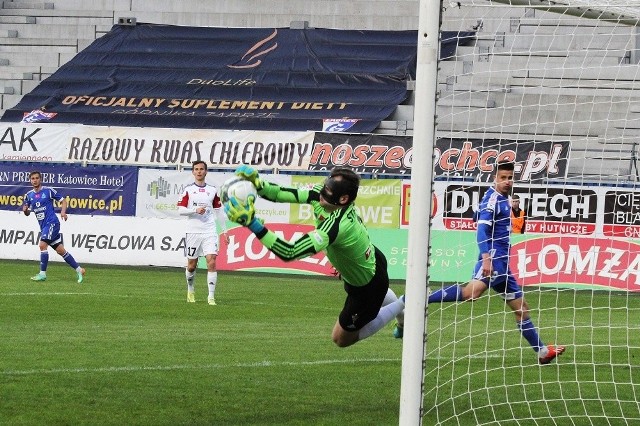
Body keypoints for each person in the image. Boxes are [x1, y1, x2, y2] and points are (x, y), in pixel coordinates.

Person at [224, 165, 405, 348]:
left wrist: (253, 224)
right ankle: (402, 316)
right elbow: (280, 194)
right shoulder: (324, 196)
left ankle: (403, 303)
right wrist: (258, 183)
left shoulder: (337, 226)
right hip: (371, 258)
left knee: (341, 339)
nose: (321, 193)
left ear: (343, 199)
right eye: (326, 185)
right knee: (379, 288)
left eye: (328, 190)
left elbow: (290, 252)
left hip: (367, 287)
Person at [422, 161, 565, 364]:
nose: (507, 181)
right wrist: (486, 258)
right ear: (495, 178)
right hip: (494, 259)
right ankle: (421, 298)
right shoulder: (493, 200)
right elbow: (480, 230)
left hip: (504, 265)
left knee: (522, 309)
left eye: (510, 178)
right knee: (471, 293)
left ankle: (543, 353)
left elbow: (476, 218)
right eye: (502, 178)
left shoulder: (502, 200)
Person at [177, 161, 229, 305]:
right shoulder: (188, 190)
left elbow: (219, 211)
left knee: (211, 261)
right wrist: (194, 210)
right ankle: (190, 289)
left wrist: (225, 231)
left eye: (201, 169)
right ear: (193, 172)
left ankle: (211, 297)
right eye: (196, 169)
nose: (199, 172)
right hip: (193, 231)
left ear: (206, 172)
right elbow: (180, 209)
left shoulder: (212, 190)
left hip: (209, 230)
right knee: (192, 265)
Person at [22, 171, 85, 283]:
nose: (35, 180)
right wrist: (26, 211)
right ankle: (79, 270)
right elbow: (27, 213)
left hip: (52, 223)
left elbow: (63, 201)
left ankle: (42, 274)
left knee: (42, 245)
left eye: (37, 178)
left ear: (40, 179)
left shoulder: (48, 191)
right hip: (44, 226)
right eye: (32, 178)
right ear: (30, 180)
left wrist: (63, 212)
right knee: (61, 251)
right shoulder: (28, 196)